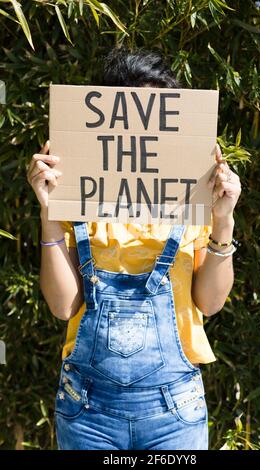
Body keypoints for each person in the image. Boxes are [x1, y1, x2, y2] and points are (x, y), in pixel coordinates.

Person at [26, 47, 241, 450]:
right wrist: (49, 210)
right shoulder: (80, 194)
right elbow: (62, 307)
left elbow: (209, 303)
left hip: (175, 412)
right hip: (87, 412)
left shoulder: (192, 196)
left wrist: (224, 219)